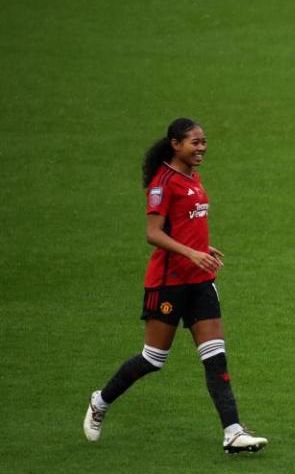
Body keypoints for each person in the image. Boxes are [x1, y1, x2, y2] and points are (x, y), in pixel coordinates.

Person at [83, 118, 268, 453]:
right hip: (169, 283)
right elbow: (152, 233)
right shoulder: (163, 183)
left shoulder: (192, 179)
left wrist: (202, 250)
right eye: (194, 142)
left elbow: (186, 224)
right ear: (175, 144)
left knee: (216, 358)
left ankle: (233, 432)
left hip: (201, 282)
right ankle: (100, 401)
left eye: (203, 141)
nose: (201, 148)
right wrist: (191, 253)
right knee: (153, 358)